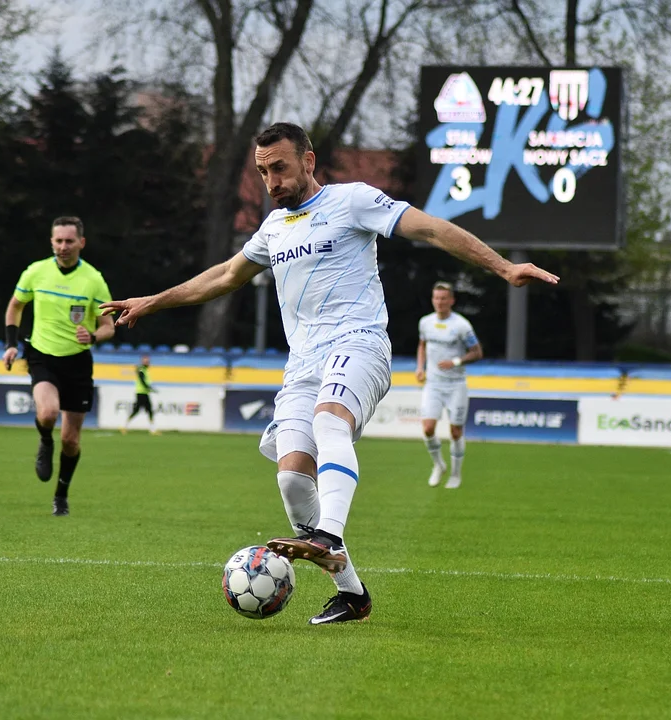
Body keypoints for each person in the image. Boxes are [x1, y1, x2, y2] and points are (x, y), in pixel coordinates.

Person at [101, 122, 558, 624]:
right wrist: (154, 301)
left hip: (359, 343)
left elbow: (430, 228)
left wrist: (503, 267)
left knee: (329, 422)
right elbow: (226, 276)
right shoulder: (273, 229)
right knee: (293, 478)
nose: (271, 181)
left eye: (279, 167)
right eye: (262, 172)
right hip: (303, 362)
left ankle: (329, 535)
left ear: (308, 161)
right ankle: (352, 594)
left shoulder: (352, 201)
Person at [3, 216, 115, 516]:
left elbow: (109, 326)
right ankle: (43, 441)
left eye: (69, 241)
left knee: (70, 439)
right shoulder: (36, 272)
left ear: (81, 242)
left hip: (78, 362)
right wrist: (11, 343)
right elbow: (15, 305)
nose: (63, 247)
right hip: (41, 354)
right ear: (51, 242)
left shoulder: (93, 279)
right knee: (48, 412)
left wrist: (92, 335)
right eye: (58, 241)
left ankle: (61, 496)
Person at [416, 281, 482, 489]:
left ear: (451, 300)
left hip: (456, 385)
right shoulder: (425, 322)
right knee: (427, 428)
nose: (440, 302)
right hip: (434, 384)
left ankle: (455, 474)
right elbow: (422, 345)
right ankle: (438, 465)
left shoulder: (461, 325)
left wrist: (455, 362)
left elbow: (477, 352)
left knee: (455, 432)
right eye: (436, 298)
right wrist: (420, 367)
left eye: (444, 298)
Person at [122, 354, 160, 435]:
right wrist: (150, 388)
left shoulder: (144, 370)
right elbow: (143, 381)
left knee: (148, 410)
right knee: (140, 410)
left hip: (144, 393)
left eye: (148, 361)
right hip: (141, 393)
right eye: (146, 361)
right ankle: (125, 426)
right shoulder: (141, 370)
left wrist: (149, 388)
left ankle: (152, 429)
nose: (148, 362)